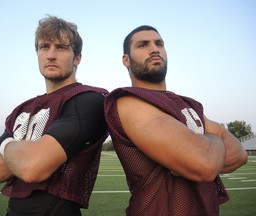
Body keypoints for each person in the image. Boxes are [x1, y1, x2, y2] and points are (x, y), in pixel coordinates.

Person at [104, 25, 248, 216]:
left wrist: (196, 153)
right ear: (126, 59)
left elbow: (239, 154)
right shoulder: (128, 102)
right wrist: (212, 138)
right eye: (143, 45)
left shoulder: (186, 104)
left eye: (159, 44)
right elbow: (204, 163)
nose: (154, 49)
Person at [0, 16, 108, 216]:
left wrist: (6, 145)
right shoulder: (23, 108)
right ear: (37, 53)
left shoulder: (88, 100)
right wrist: (30, 154)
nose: (51, 55)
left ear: (77, 58)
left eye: (62, 47)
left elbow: (32, 168)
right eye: (44, 47)